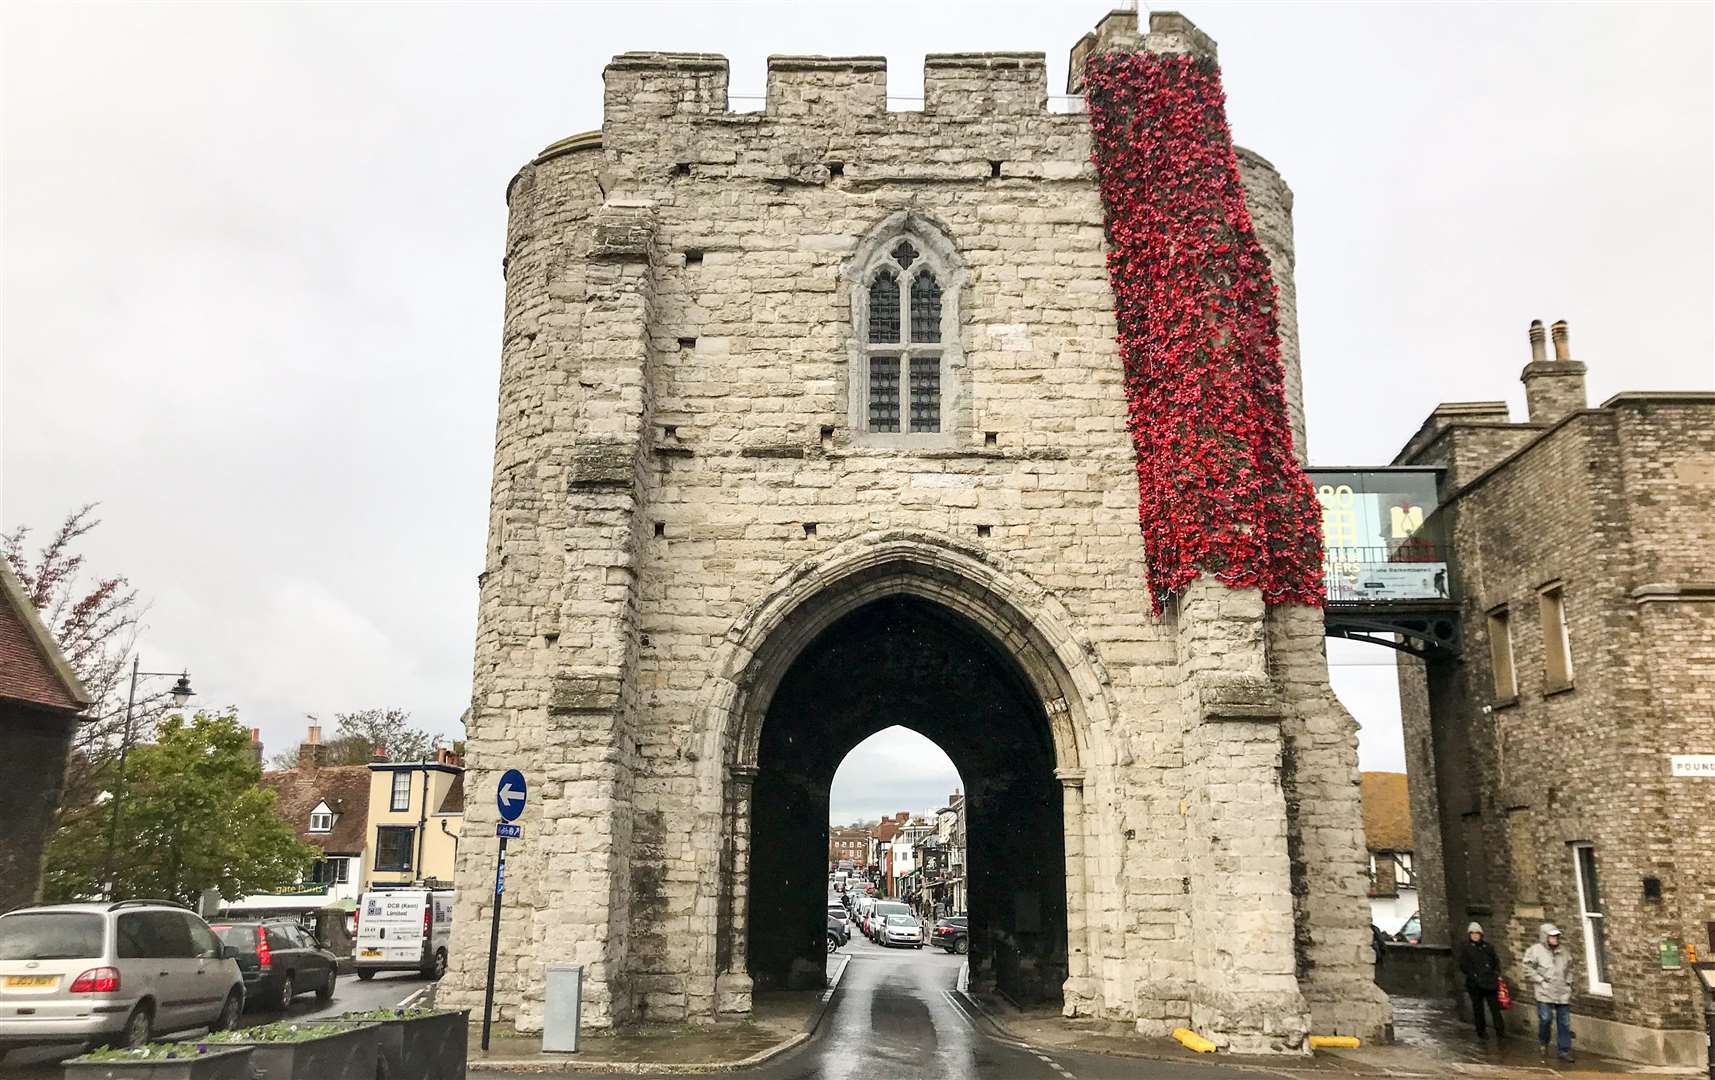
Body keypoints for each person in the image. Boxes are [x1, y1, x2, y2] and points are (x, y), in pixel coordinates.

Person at [1522, 922, 1575, 1061]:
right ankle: (1543, 1042)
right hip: (1544, 991)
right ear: (1545, 937)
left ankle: (1564, 1050)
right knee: (1545, 1019)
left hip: (1562, 991)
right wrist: (1540, 980)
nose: (1555, 940)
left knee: (1564, 1022)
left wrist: (1569, 983)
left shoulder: (1564, 951)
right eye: (1552, 937)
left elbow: (1570, 968)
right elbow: (1527, 968)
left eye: (1556, 937)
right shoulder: (1535, 951)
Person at [1457, 922, 1504, 1037]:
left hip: (1489, 981)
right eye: (1472, 933)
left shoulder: (1488, 947)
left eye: (1477, 933)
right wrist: (1473, 975)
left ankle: (1500, 1030)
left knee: (1495, 1007)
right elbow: (1463, 965)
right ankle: (1481, 1031)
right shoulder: (1466, 948)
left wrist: (1495, 974)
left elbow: (1495, 962)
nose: (1475, 936)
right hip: (1475, 984)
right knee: (1478, 1008)